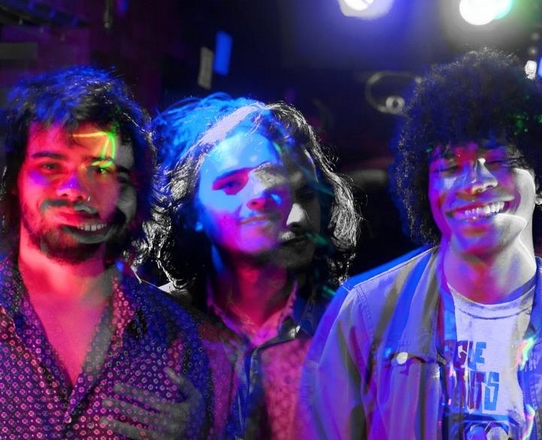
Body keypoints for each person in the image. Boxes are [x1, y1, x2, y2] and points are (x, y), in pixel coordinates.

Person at [297, 49, 542, 439]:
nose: (475, 183)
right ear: (425, 189)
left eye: (498, 160)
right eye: (449, 167)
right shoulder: (366, 311)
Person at [0, 65, 236, 438]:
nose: (76, 190)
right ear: (13, 180)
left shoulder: (179, 336)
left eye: (103, 171)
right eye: (51, 166)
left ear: (134, 194)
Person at [145, 94, 359, 439]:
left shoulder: (351, 326)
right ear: (198, 211)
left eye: (306, 195)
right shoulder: (154, 322)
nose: (298, 218)